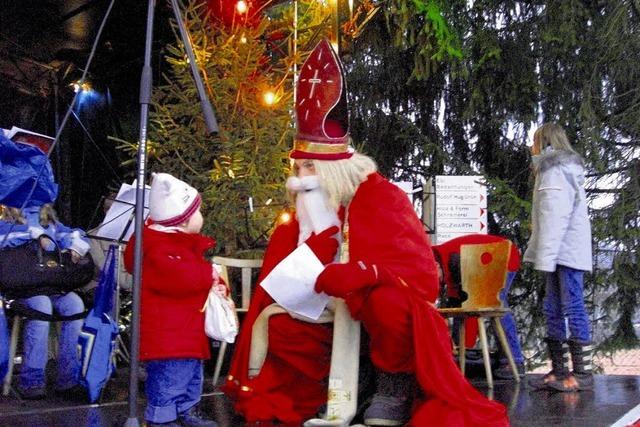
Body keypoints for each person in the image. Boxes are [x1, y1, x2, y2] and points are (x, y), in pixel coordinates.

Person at [224, 39, 508, 426]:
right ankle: (320, 392)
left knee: (389, 306)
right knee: (282, 321)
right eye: (299, 169)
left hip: (368, 299)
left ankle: (392, 385)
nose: (299, 180)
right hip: (321, 303)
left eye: (309, 170)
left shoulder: (380, 196)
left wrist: (367, 272)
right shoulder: (304, 213)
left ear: (332, 171)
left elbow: (420, 277)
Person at [123, 173, 219, 427]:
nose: (202, 217)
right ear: (183, 220)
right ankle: (162, 417)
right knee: (171, 377)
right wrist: (209, 273)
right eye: (198, 212)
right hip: (170, 334)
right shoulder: (162, 250)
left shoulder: (174, 245)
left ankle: (186, 410)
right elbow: (185, 280)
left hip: (183, 330)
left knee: (189, 373)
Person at [524, 123, 594, 392]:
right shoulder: (551, 170)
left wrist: (546, 256)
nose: (532, 145)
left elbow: (554, 216)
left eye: (535, 140)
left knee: (572, 305)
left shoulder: (556, 171)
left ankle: (582, 375)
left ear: (545, 141)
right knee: (552, 306)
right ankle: (560, 370)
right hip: (557, 251)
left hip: (565, 251)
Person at [0, 204, 90, 400]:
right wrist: (28, 235)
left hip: (50, 283)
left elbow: (72, 234)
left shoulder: (48, 220)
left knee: (74, 304)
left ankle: (68, 379)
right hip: (21, 286)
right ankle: (32, 380)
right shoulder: (5, 217)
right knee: (42, 305)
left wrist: (75, 244)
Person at [432, 233, 526, 379]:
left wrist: (464, 348)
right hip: (488, 258)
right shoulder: (445, 261)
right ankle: (506, 358)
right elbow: (459, 306)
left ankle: (515, 360)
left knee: (495, 303)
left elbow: (470, 309)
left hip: (502, 257)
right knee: (467, 305)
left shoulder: (452, 260)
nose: (438, 283)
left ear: (436, 265)